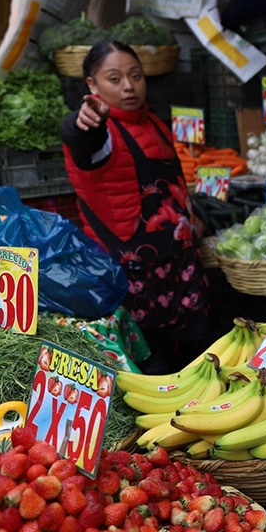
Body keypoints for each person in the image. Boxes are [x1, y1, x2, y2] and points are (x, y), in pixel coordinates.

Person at [61, 40, 211, 374]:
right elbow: (79, 137)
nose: (128, 86)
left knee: (200, 362)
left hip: (181, 272)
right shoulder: (100, 132)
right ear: (91, 85)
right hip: (133, 281)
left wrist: (192, 219)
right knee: (154, 369)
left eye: (136, 76)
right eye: (114, 79)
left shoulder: (155, 123)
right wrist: (84, 120)